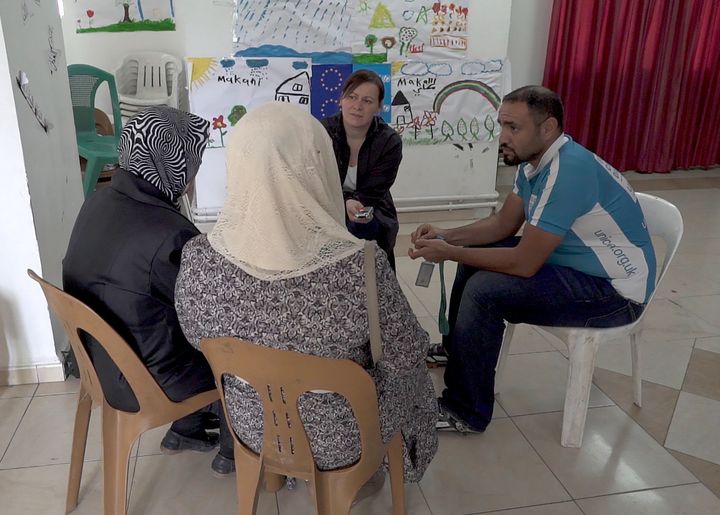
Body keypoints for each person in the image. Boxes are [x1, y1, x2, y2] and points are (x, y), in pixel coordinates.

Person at [175, 102, 437, 484]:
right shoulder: (361, 267)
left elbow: (196, 338)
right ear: (318, 166)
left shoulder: (200, 258)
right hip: (346, 438)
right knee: (410, 376)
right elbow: (405, 354)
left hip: (251, 426)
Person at [409, 86, 657, 433]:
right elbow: (502, 224)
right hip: (578, 264)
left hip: (615, 293)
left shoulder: (566, 172)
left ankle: (465, 410)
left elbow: (524, 263)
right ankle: (457, 351)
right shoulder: (535, 162)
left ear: (548, 128)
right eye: (502, 126)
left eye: (514, 128)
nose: (503, 137)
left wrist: (449, 252)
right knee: (477, 261)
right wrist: (445, 236)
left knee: (485, 290)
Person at [63, 106, 233, 473]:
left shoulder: (98, 200)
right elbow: (210, 315)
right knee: (235, 344)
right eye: (193, 160)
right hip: (144, 380)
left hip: (99, 364)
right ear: (169, 161)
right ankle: (237, 449)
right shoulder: (170, 231)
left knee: (166, 315)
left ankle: (186, 429)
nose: (195, 172)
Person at [322, 69, 402, 270]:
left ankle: (378, 286)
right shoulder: (321, 132)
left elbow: (374, 190)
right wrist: (342, 201)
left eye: (367, 101)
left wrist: (354, 203)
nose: (357, 106)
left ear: (378, 107)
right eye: (352, 97)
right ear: (341, 99)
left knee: (362, 227)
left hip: (371, 204)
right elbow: (314, 179)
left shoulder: (389, 141)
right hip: (327, 202)